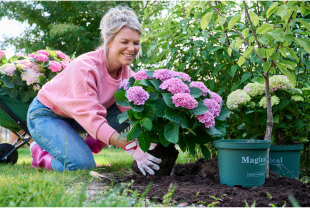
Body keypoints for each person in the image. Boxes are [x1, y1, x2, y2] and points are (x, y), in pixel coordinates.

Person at [26, 6, 161, 175]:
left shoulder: (127, 75)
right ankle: (39, 154)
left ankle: (82, 151)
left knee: (130, 112)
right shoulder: (86, 68)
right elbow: (92, 120)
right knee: (82, 166)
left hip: (76, 119)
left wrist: (151, 135)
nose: (132, 48)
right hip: (47, 115)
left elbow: (132, 113)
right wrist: (131, 146)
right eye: (124, 42)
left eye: (136, 43)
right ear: (109, 41)